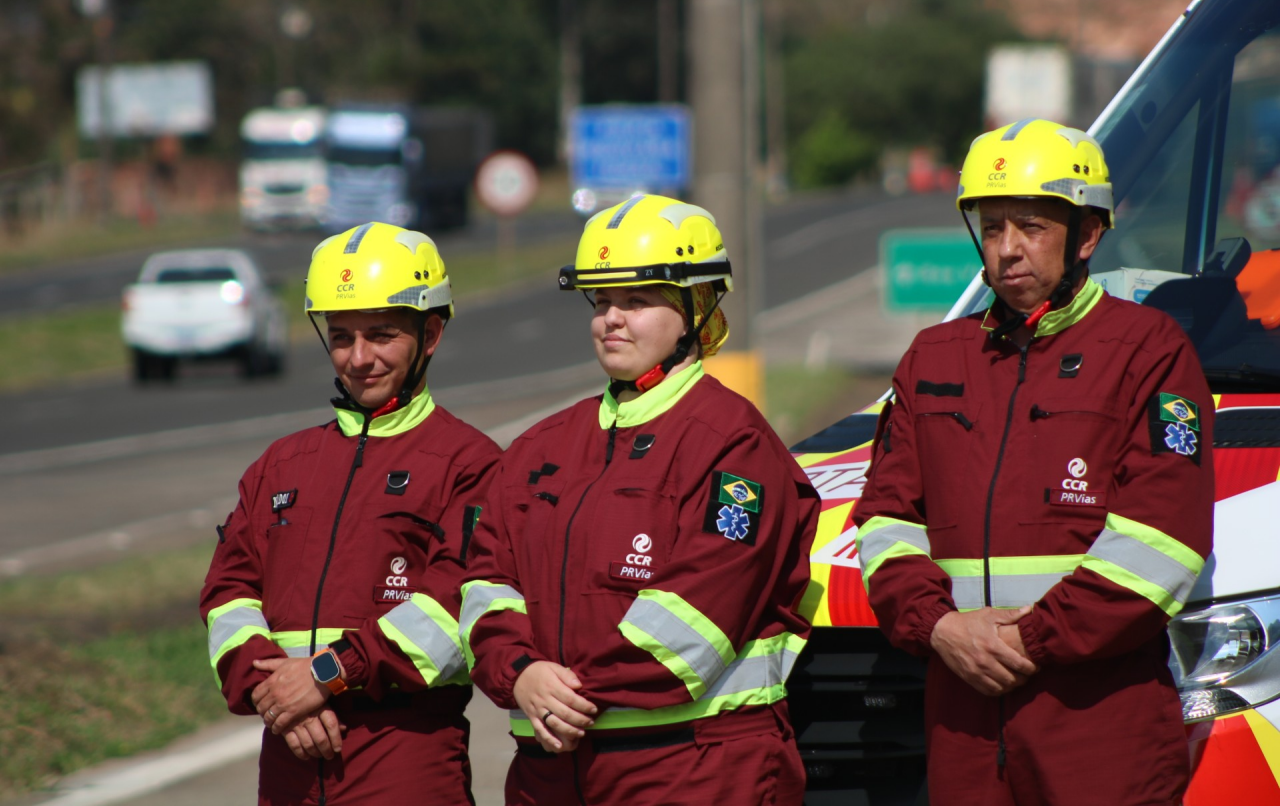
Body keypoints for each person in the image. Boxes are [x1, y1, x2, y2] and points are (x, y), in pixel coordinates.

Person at [854, 119, 1214, 805]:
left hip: (1100, 729)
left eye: (1031, 226)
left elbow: (1162, 540)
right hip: (960, 724)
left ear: (1087, 234)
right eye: (992, 229)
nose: (1007, 249)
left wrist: (1028, 640)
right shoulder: (932, 359)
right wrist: (938, 626)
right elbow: (883, 521)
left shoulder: (1150, 350)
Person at [460, 194, 820, 805]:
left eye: (636, 301)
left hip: (694, 770)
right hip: (550, 775)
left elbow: (695, 622)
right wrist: (518, 673)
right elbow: (484, 583)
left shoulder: (736, 445)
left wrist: (562, 693)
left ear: (696, 309)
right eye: (601, 301)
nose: (611, 320)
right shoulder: (541, 446)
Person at [200, 221, 500, 806]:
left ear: (430, 334)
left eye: (381, 335)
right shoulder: (281, 464)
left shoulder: (472, 464)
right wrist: (276, 693)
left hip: (405, 761)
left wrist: (324, 676)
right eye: (341, 337)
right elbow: (227, 596)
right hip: (287, 755)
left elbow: (451, 615)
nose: (359, 358)